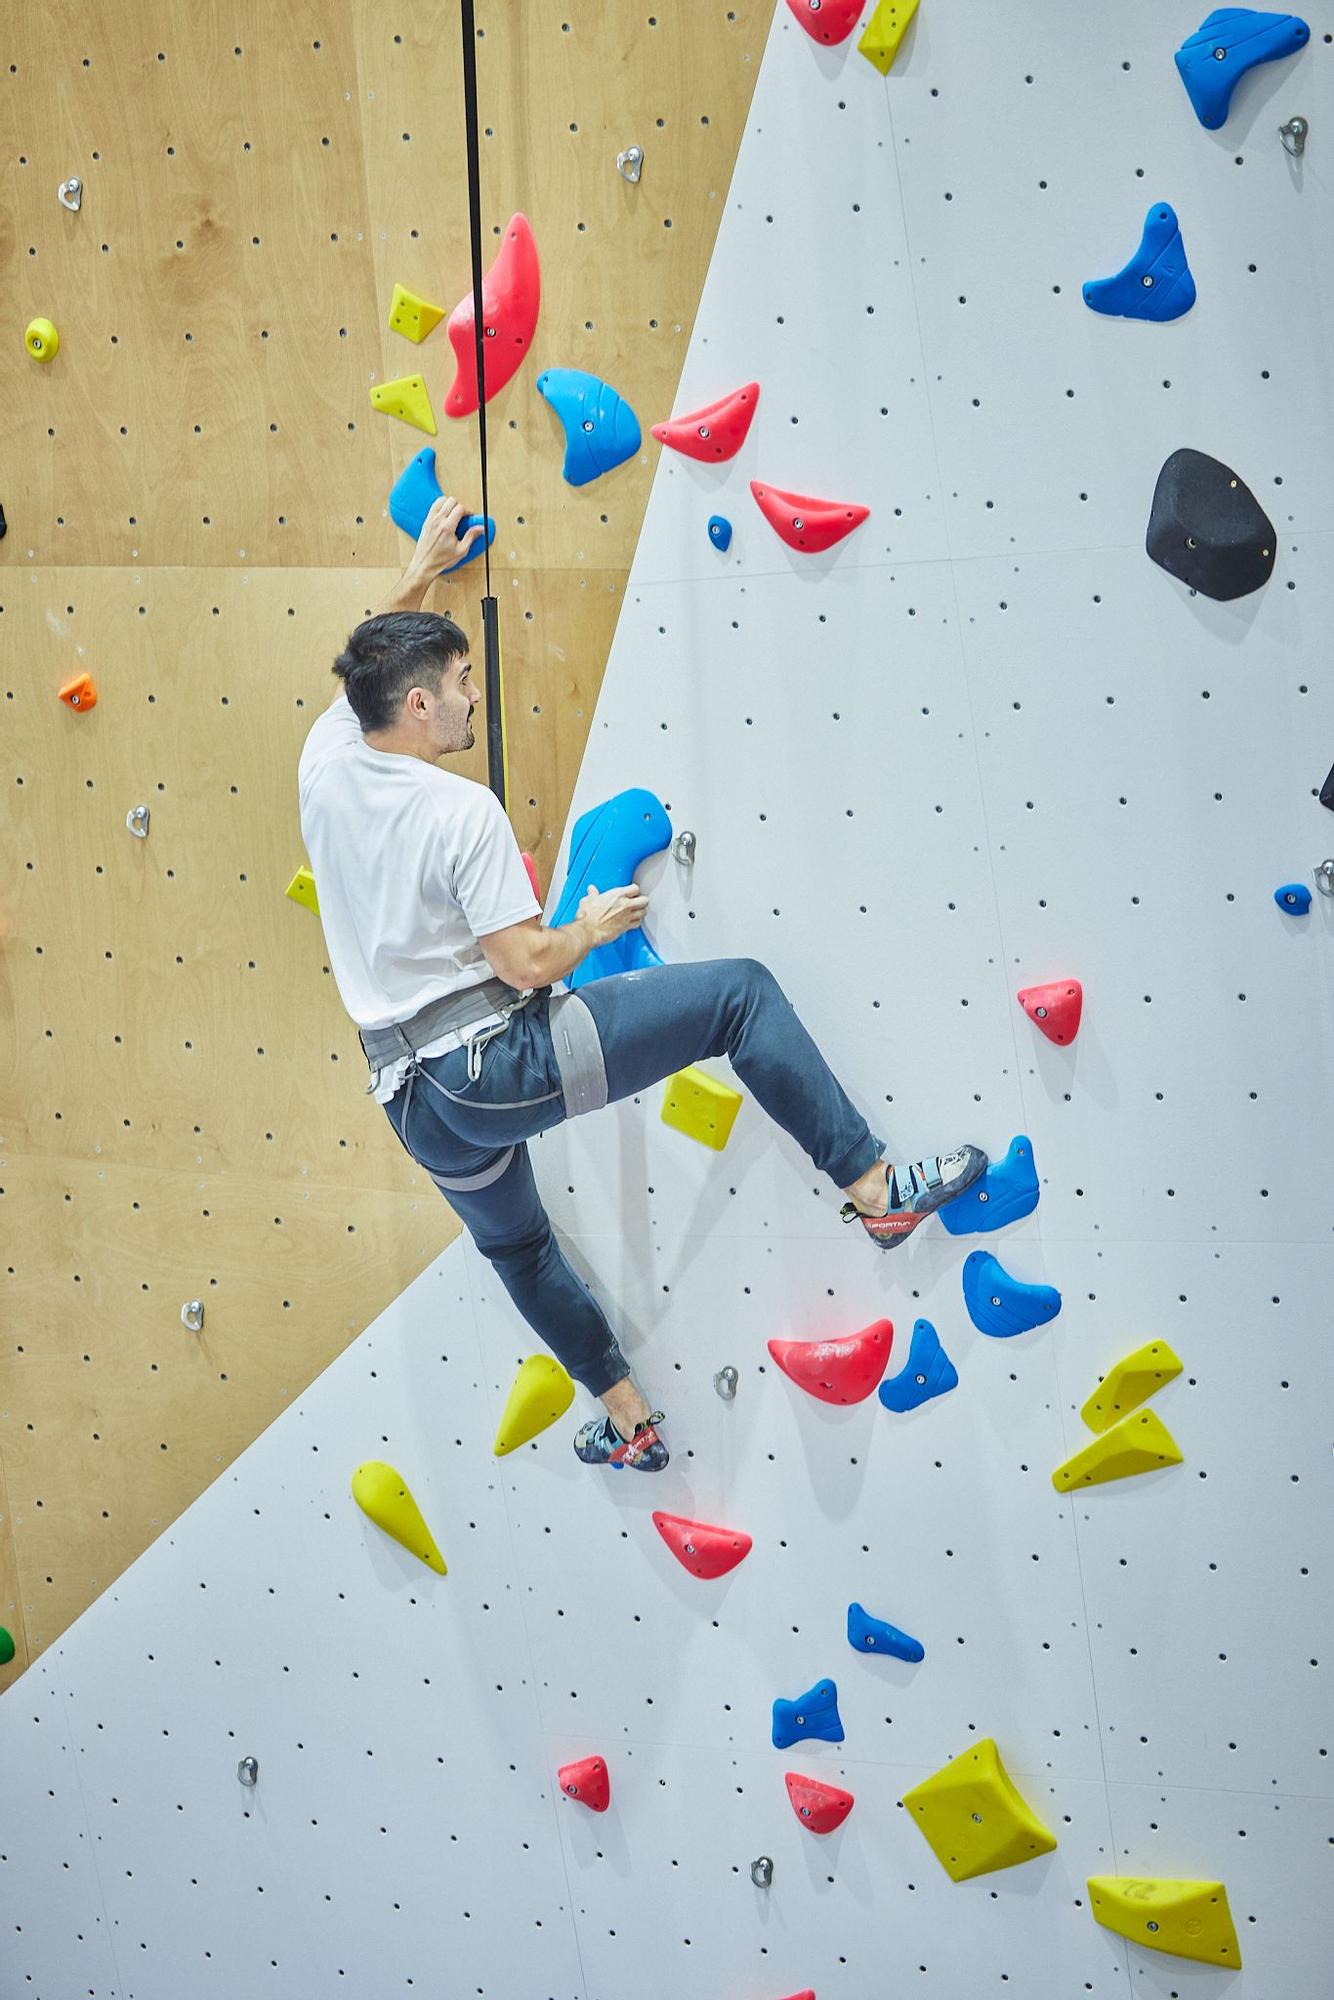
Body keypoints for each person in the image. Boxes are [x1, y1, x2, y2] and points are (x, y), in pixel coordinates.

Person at [298, 498, 988, 1474]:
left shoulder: (324, 765)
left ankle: (627, 1418)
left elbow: (359, 661)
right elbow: (528, 964)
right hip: (493, 1068)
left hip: (413, 1106)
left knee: (518, 1248)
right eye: (459, 685)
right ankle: (876, 1189)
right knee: (739, 994)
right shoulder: (459, 812)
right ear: (419, 706)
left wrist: (419, 571)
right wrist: (592, 925)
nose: (469, 699)